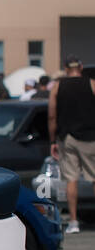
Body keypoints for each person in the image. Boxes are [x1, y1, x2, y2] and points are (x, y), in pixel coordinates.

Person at [48, 56, 95, 233]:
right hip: (90, 136)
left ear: (66, 68)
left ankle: (73, 221)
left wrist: (52, 140)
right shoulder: (91, 84)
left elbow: (52, 116)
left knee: (71, 178)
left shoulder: (58, 87)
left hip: (67, 137)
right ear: (81, 67)